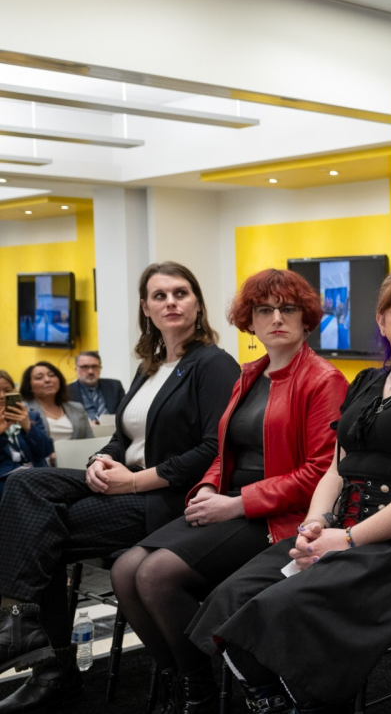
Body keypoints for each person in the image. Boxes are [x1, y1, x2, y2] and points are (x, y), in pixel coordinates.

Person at [186, 266, 391, 714]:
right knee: (229, 598)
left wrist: (346, 541)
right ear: (382, 321)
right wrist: (314, 525)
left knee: (282, 607)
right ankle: (278, 698)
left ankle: (306, 700)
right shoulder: (367, 382)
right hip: (343, 527)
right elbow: (335, 470)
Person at [0, 262, 239, 714]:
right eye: (160, 295)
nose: (170, 302)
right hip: (122, 484)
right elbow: (123, 436)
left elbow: (213, 448)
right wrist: (99, 461)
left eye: (181, 293)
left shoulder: (213, 363)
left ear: (197, 303)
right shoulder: (150, 366)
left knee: (35, 534)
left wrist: (134, 481)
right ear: (146, 308)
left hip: (165, 498)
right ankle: (32, 644)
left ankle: (43, 661)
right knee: (25, 484)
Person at [111, 269, 347, 714]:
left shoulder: (323, 379)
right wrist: (205, 488)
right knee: (125, 569)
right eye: (264, 310)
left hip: (277, 518)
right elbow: (222, 451)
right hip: (228, 506)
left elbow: (320, 472)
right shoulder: (249, 374)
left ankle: (199, 692)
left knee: (155, 576)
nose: (276, 318)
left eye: (288, 308)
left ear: (306, 317)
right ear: (250, 321)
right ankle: (182, 679)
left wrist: (237, 502)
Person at [0, 370, 54, 500]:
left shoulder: (32, 416)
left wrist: (28, 426)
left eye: (7, 390)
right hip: (5, 480)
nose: (2, 395)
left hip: (37, 474)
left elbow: (45, 451)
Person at [21, 362, 93, 443]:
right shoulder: (24, 410)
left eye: (51, 375)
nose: (47, 380)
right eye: (39, 377)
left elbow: (90, 440)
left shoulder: (76, 407)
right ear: (29, 386)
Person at [66, 352, 126, 424]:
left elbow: (124, 413)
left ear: (100, 368)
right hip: (84, 433)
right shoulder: (66, 391)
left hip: (112, 430)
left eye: (94, 367)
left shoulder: (114, 386)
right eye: (85, 367)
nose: (90, 371)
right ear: (76, 369)